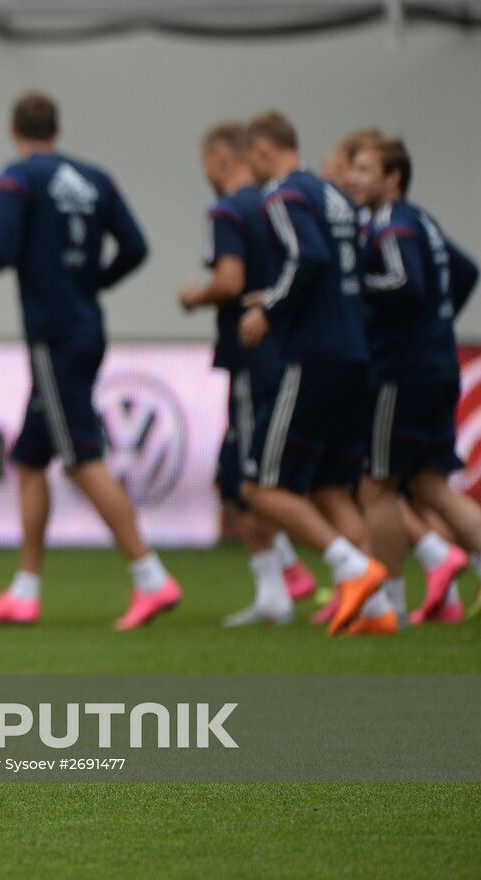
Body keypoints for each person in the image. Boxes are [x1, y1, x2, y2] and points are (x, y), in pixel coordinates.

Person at [0, 91, 179, 630]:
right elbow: (135, 246)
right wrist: (92, 283)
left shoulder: (16, 178)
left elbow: (1, 249)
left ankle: (150, 577)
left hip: (53, 334)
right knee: (29, 461)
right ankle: (25, 590)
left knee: (82, 457)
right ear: (57, 127)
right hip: (87, 326)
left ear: (11, 127)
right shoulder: (96, 178)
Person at [235, 110, 387, 636]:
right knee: (328, 486)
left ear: (260, 150)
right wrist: (280, 296)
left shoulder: (280, 194)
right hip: (353, 352)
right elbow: (352, 265)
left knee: (259, 486)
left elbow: (308, 257)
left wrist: (269, 309)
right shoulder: (336, 196)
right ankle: (377, 609)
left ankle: (353, 568)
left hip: (314, 356)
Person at [178, 122, 318, 626]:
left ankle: (289, 578)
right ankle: (286, 576)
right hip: (292, 352)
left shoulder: (226, 210)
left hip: (252, 355)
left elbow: (231, 280)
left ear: (220, 157)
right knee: (264, 473)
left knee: (240, 475)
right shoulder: (276, 204)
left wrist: (195, 296)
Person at [348, 137, 480, 629]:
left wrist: (354, 288)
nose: (353, 178)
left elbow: (406, 284)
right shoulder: (421, 219)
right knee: (428, 485)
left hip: (400, 373)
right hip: (437, 363)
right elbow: (465, 272)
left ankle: (390, 605)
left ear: (393, 178)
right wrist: (434, 323)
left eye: (363, 170)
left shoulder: (391, 226)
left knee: (376, 486)